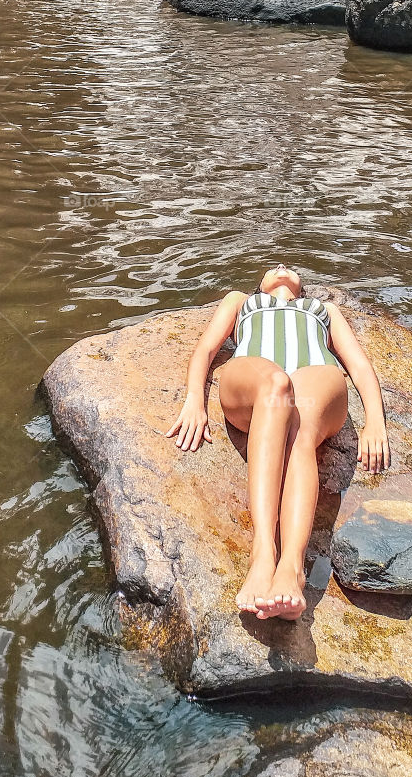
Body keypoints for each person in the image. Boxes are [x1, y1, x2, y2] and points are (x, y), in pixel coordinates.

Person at [166, 265, 390, 621]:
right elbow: (206, 350)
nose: (283, 268)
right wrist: (194, 400)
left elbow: (359, 367)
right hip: (254, 377)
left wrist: (375, 420)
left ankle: (292, 567)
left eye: (291, 268)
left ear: (303, 289)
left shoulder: (325, 310)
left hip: (316, 376)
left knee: (300, 428)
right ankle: (262, 553)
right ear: (260, 285)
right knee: (276, 386)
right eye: (274, 267)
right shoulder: (241, 301)